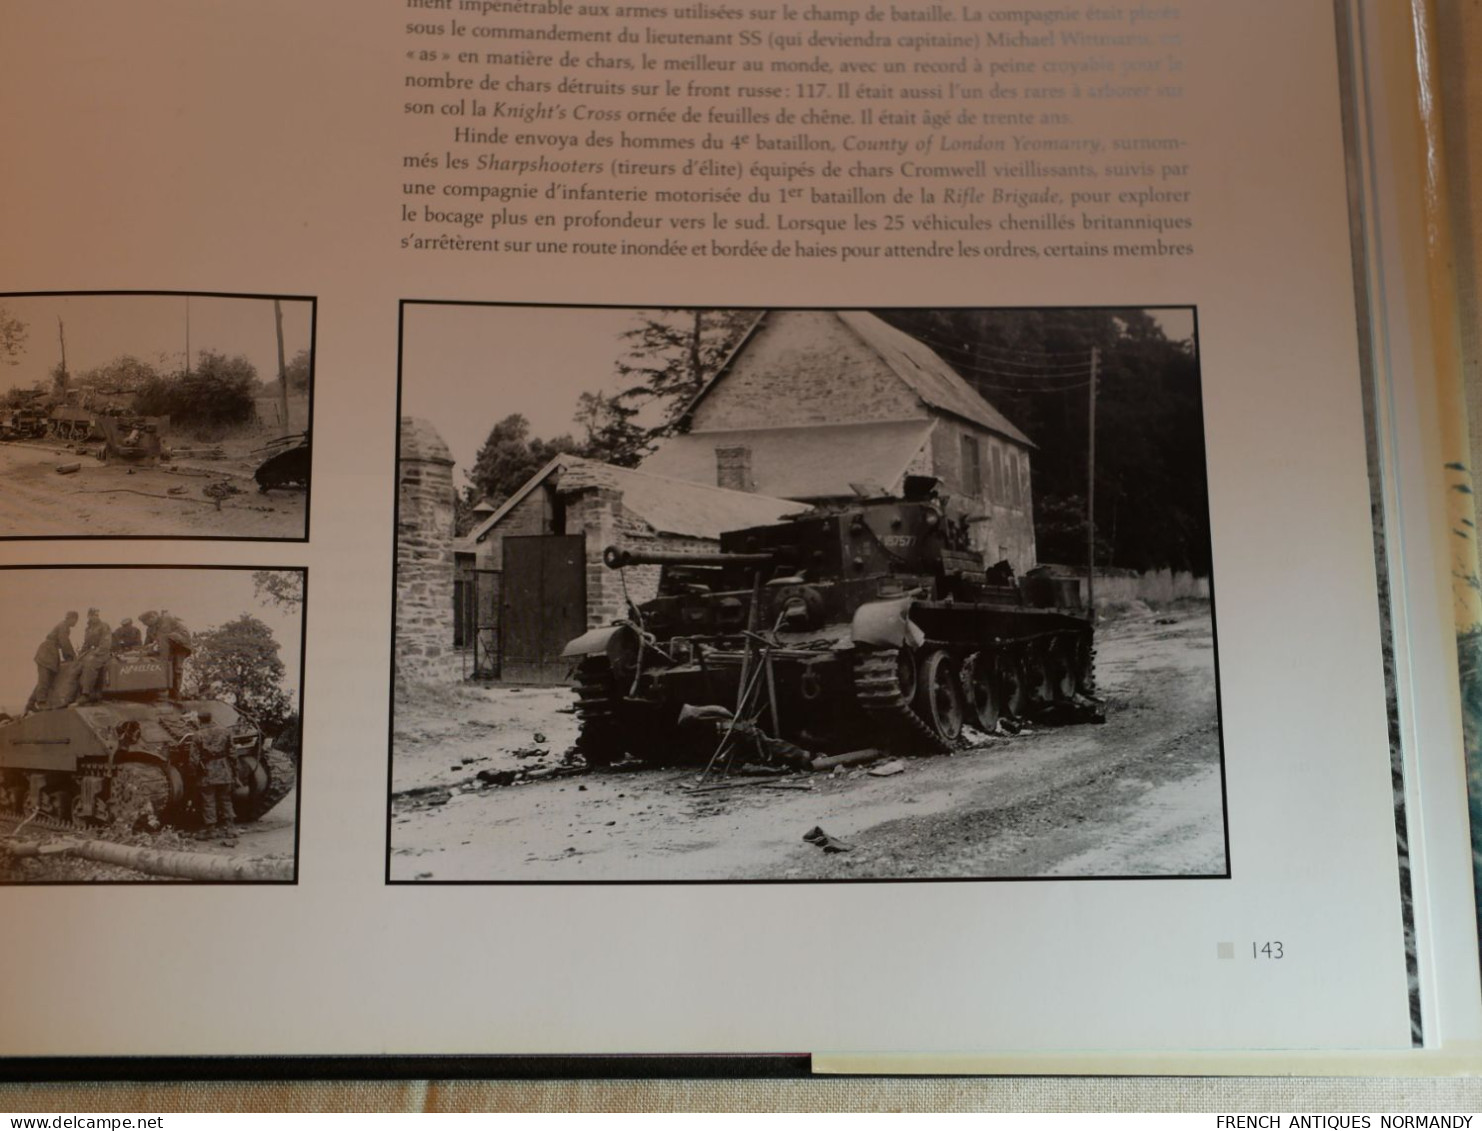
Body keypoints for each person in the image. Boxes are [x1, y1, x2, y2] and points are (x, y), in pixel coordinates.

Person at [190, 709, 238, 840]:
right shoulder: (225, 731)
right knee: (226, 800)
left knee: (208, 801)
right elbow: (233, 753)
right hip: (224, 769)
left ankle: (211, 831)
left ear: (199, 720)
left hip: (207, 772)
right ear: (211, 718)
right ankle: (231, 829)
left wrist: (193, 773)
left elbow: (194, 758)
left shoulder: (198, 735)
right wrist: (234, 769)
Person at [25, 611, 78, 714]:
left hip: (51, 652)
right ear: (72, 618)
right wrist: (72, 656)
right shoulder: (64, 626)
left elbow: (64, 643)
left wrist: (69, 656)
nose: (75, 623)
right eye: (75, 620)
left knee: (46, 679)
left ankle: (31, 703)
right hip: (47, 651)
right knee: (44, 679)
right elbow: (64, 642)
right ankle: (41, 703)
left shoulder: (63, 626)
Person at [140, 610, 193, 698]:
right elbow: (147, 643)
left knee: (176, 668)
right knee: (165, 665)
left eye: (146, 622)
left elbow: (163, 641)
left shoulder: (166, 620)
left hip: (180, 645)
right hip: (167, 647)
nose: (146, 624)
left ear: (153, 617)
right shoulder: (150, 628)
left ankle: (175, 693)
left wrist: (163, 661)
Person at [77, 607, 113, 704]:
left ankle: (86, 694)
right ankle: (77, 693)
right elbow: (86, 644)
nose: (95, 617)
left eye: (97, 615)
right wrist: (80, 654)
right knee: (77, 664)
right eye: (93, 615)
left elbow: (106, 643)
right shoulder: (88, 628)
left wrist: (96, 653)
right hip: (91, 651)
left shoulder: (104, 626)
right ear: (89, 616)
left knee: (90, 664)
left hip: (102, 652)